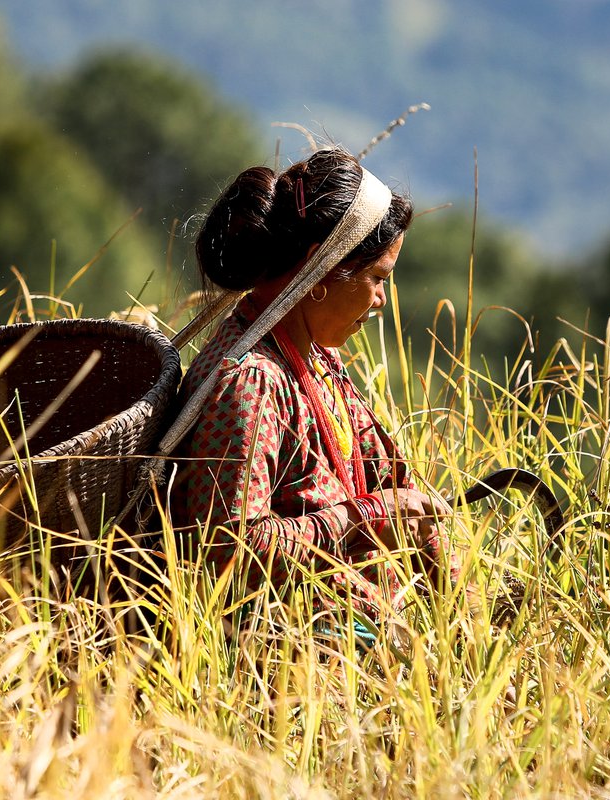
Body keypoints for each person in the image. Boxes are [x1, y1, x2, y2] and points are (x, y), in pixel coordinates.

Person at [170, 148, 453, 624]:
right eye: (378, 278)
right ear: (322, 268)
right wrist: (363, 520)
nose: (382, 299)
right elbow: (227, 550)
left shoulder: (317, 361)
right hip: (274, 672)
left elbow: (389, 485)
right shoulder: (251, 384)